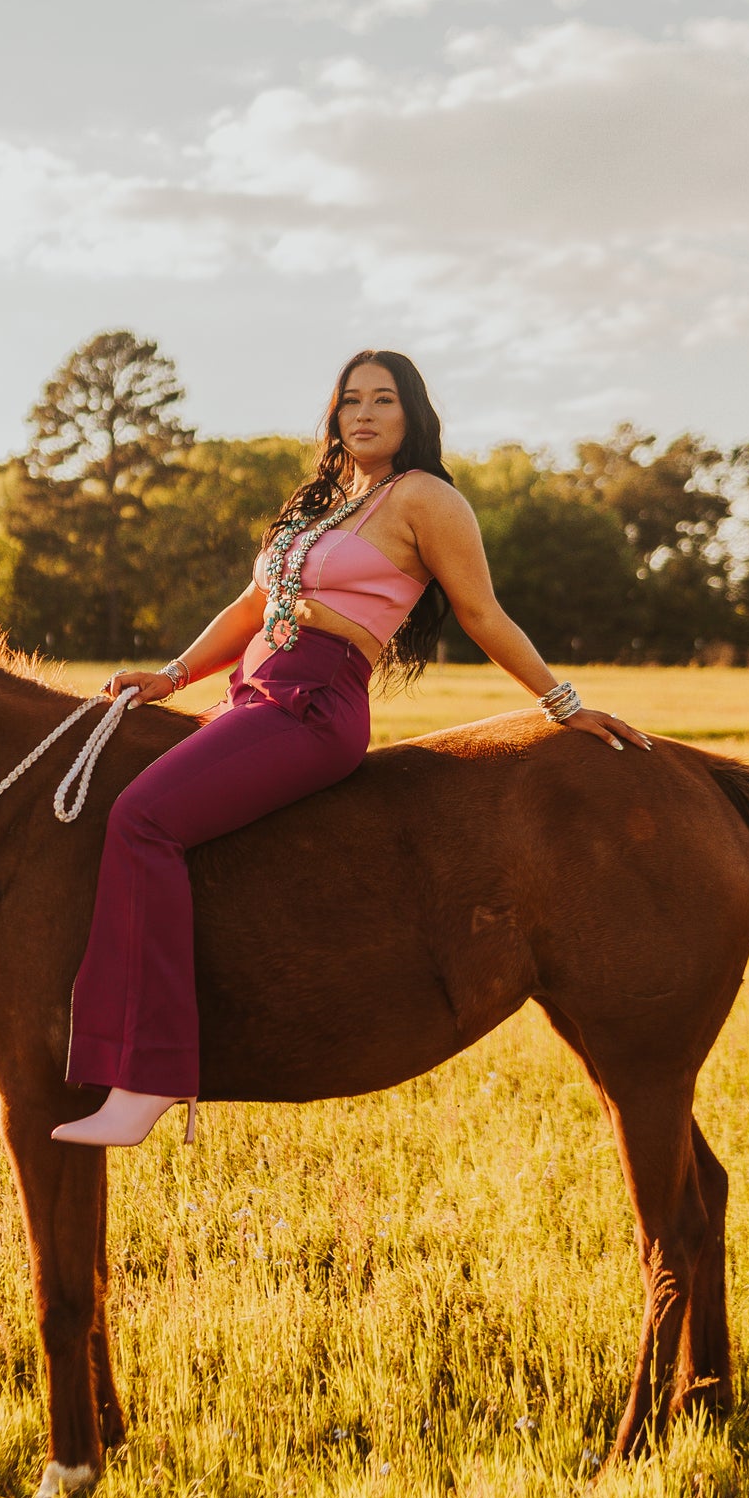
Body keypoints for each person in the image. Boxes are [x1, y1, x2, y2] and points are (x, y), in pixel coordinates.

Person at [52, 349, 651, 1148]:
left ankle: (152, 1075)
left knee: (142, 821)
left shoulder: (427, 501)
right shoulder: (319, 505)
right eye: (349, 401)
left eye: (383, 400)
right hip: (249, 697)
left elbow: (482, 614)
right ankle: (109, 1057)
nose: (363, 414)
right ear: (333, 417)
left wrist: (563, 705)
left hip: (312, 707)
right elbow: (248, 606)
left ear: (412, 415)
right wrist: (172, 674)